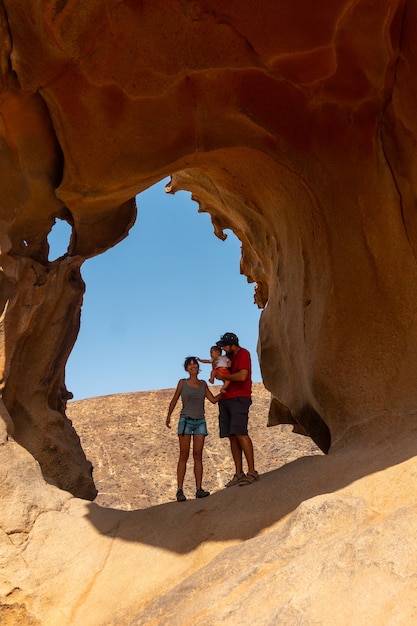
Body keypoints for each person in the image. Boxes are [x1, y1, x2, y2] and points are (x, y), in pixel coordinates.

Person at [166, 356, 221, 502]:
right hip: (185, 421)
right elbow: (174, 399)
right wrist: (168, 416)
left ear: (198, 367)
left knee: (198, 454)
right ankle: (179, 490)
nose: (193, 366)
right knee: (183, 455)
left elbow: (213, 400)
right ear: (186, 369)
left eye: (194, 364)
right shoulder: (182, 383)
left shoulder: (203, 384)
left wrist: (226, 390)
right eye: (189, 365)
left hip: (200, 422)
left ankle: (199, 489)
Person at [214, 332, 259, 487]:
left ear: (233, 345)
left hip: (240, 397)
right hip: (226, 399)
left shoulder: (243, 354)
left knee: (241, 433)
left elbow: (242, 376)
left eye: (226, 346)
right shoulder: (227, 358)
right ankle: (238, 473)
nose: (224, 349)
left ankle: (252, 471)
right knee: (231, 435)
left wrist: (224, 378)